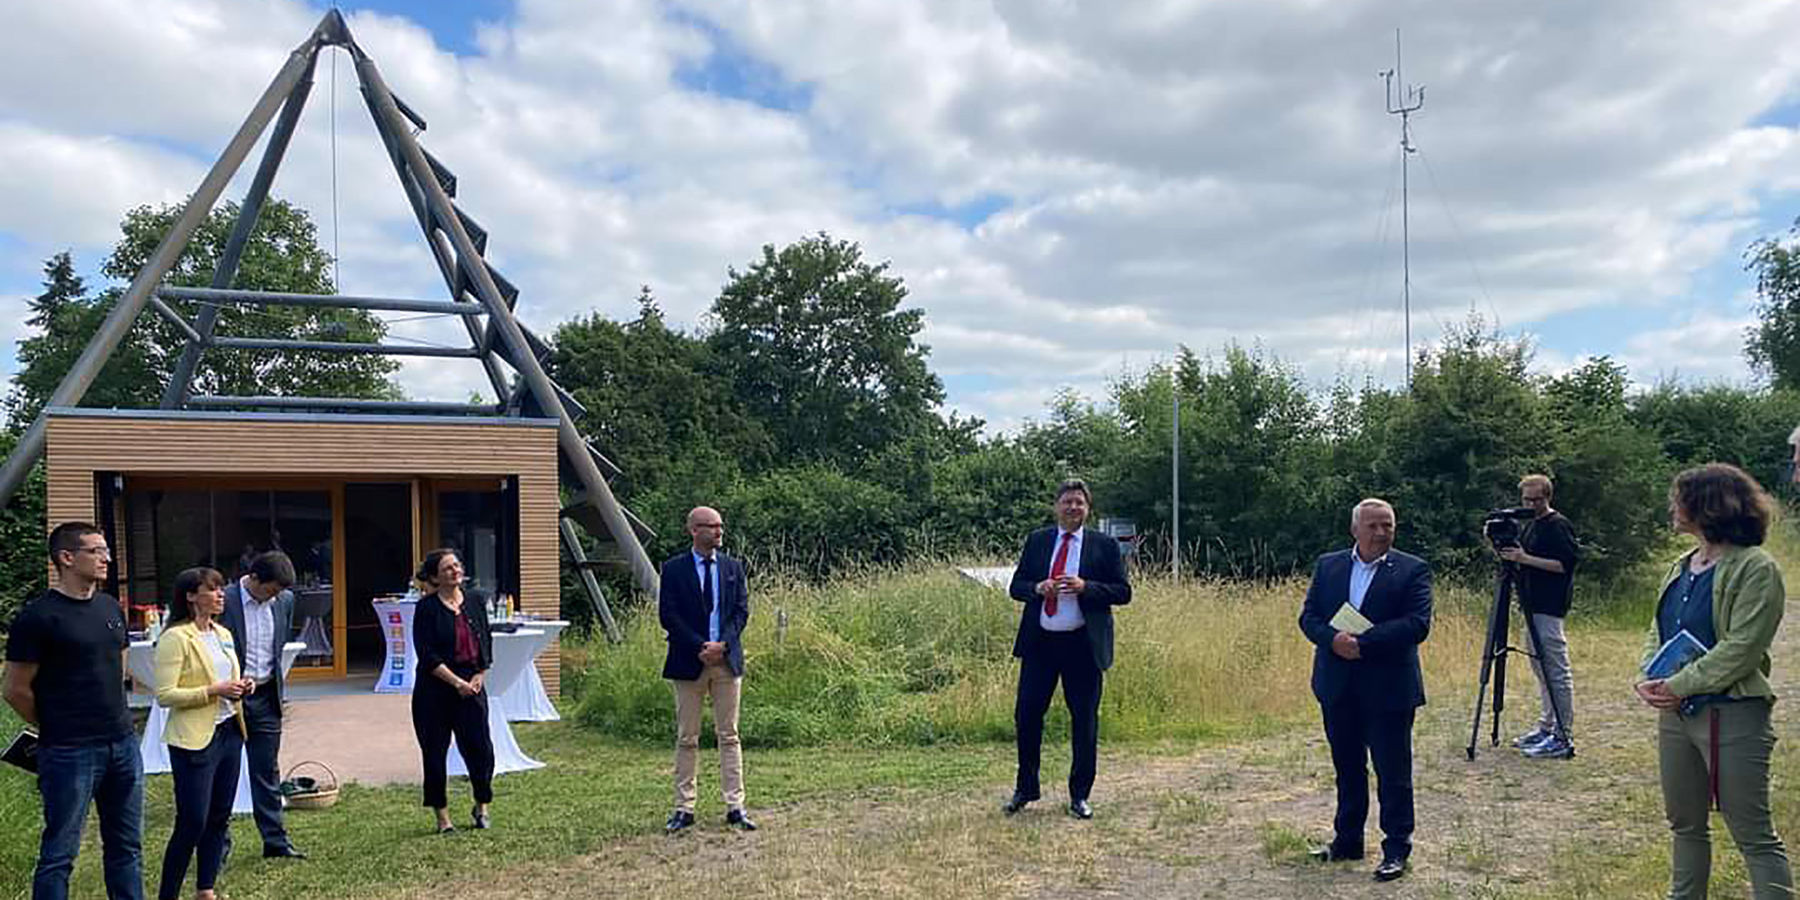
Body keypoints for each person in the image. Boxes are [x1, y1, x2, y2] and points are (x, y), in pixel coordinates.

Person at [1635, 463, 1793, 898]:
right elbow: (1658, 628)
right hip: (1677, 714)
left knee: (1753, 833)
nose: (1672, 506)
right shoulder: (1681, 565)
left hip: (1733, 714)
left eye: (1678, 497)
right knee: (1685, 824)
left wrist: (1679, 684)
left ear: (1706, 505)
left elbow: (1742, 648)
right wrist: (1649, 676)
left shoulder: (1756, 569)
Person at [3, 521, 143, 900]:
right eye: (96, 551)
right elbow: (15, 690)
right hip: (69, 751)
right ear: (66, 557)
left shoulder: (110, 607)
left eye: (106, 551)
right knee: (60, 853)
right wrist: (55, 724)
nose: (106, 559)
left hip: (123, 745)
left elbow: (119, 669)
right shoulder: (38, 618)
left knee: (127, 847)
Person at [1297, 498, 1432, 882]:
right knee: (1348, 768)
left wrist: (1364, 643)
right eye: (1373, 525)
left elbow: (1417, 624)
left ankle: (1396, 849)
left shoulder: (1411, 570)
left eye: (1387, 525)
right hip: (1338, 684)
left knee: (1393, 772)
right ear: (1354, 529)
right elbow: (1309, 616)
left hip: (1388, 687)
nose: (1381, 533)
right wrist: (1332, 640)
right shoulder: (1329, 565)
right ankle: (1347, 840)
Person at [1003, 478, 1133, 820]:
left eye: (1079, 502)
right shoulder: (1038, 541)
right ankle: (1026, 788)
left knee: (1084, 721)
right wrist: (1038, 587)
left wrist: (1086, 587)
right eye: (1067, 501)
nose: (1073, 507)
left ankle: (1079, 795)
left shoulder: (1103, 546)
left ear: (1088, 509)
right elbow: (1016, 586)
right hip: (1041, 644)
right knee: (1027, 715)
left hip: (1083, 645)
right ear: (1056, 506)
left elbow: (1123, 592)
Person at [153, 567, 252, 900]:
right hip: (194, 740)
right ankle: (168, 892)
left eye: (222, 589)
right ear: (191, 596)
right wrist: (214, 690)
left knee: (219, 816)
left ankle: (205, 888)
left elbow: (229, 676)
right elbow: (165, 694)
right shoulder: (175, 638)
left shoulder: (222, 634)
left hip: (229, 732)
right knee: (192, 821)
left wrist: (241, 687)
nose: (221, 595)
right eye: (212, 589)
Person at [659, 506, 756, 833]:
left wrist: (723, 645)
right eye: (711, 526)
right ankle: (684, 807)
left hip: (726, 662)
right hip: (690, 661)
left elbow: (741, 612)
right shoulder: (673, 570)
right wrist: (700, 645)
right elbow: (669, 615)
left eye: (720, 526)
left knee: (729, 735)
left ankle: (735, 805)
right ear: (693, 530)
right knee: (688, 737)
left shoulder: (732, 567)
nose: (718, 532)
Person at [218, 551, 304, 859]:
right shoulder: (223, 600)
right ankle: (219, 848)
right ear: (253, 578)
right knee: (223, 775)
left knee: (267, 772)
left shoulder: (285, 602)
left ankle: (276, 843)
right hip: (228, 699)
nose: (275, 597)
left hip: (266, 697)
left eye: (280, 592)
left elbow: (278, 644)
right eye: (271, 590)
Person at [410, 548, 495, 834]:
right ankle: (443, 818)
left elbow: (485, 643)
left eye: (457, 565)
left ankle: (482, 806)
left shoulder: (475, 602)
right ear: (435, 576)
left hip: (472, 685)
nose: (455, 571)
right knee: (435, 752)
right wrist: (456, 683)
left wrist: (479, 675)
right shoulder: (426, 609)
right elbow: (427, 654)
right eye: (447, 568)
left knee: (480, 749)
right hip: (436, 689)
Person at [1502, 474, 1581, 760]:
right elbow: (1515, 555)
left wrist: (1525, 559)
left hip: (1550, 605)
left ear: (1548, 497)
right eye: (1527, 499)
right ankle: (1547, 726)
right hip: (1532, 605)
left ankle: (1562, 734)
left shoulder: (1558, 525)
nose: (1532, 504)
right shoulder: (1530, 525)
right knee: (1541, 670)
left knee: (1555, 671)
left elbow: (1564, 565)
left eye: (1538, 499)